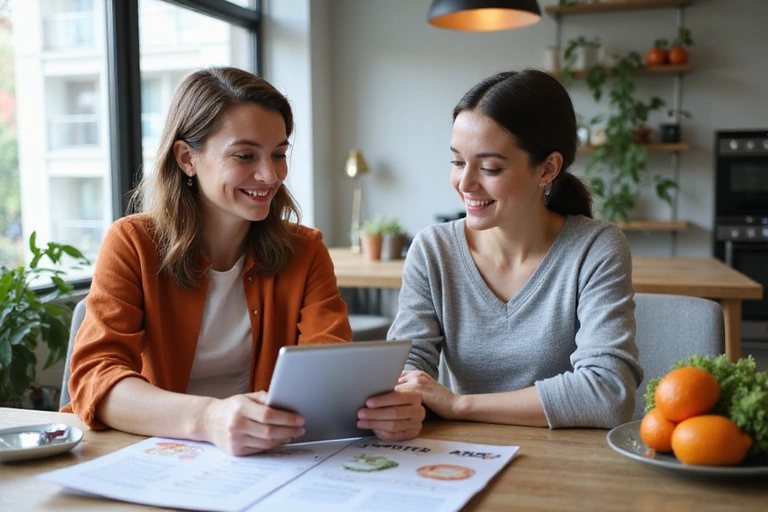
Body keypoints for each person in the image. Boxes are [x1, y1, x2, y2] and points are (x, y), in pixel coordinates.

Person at [63, 67, 424, 455]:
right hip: (150, 454)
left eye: (279, 154)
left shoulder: (305, 251)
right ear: (187, 158)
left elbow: (329, 374)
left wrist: (382, 411)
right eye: (245, 155)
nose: (270, 174)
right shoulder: (132, 243)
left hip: (266, 460)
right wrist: (209, 419)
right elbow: (96, 380)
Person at [392, 69, 643, 429]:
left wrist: (458, 404)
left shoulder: (595, 248)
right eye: (458, 162)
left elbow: (608, 393)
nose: (465, 184)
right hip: (460, 460)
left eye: (490, 167)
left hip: (566, 465)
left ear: (548, 169)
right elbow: (406, 369)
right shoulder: (432, 249)